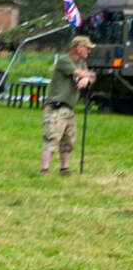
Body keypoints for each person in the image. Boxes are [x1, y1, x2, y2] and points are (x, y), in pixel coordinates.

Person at [42, 34, 97, 175]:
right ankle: (45, 169)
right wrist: (86, 76)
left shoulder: (82, 63)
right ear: (78, 48)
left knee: (69, 141)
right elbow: (78, 73)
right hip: (56, 107)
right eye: (87, 48)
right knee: (52, 137)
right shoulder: (64, 61)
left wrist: (86, 80)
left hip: (69, 108)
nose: (89, 51)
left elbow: (92, 76)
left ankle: (64, 168)